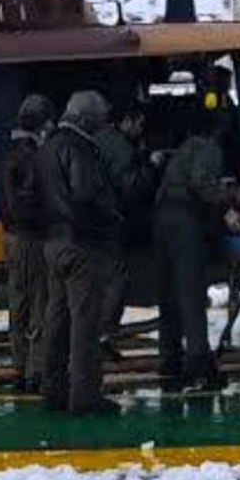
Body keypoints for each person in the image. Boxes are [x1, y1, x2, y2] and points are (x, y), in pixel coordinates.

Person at [36, 90, 123, 415]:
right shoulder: (79, 148)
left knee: (56, 319)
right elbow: (85, 195)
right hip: (81, 245)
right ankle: (85, 395)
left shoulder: (45, 148)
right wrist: (111, 221)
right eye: (101, 119)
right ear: (87, 119)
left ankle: (52, 387)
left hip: (51, 243)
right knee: (84, 322)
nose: (104, 124)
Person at [153, 107, 228, 392]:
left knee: (169, 293)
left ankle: (170, 358)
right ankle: (198, 364)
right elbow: (201, 183)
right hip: (184, 219)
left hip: (161, 218)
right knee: (191, 291)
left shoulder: (182, 150)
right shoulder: (208, 147)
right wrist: (227, 200)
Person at [0, 94, 55, 392]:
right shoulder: (33, 159)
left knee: (18, 303)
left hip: (11, 238)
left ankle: (19, 366)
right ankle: (36, 371)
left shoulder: (8, 157)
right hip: (32, 239)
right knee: (39, 305)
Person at [91, 105, 149, 345]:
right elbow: (131, 190)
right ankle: (105, 329)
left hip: (90, 222)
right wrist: (149, 166)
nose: (140, 130)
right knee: (117, 277)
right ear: (126, 121)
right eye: (139, 124)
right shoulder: (122, 148)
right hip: (110, 221)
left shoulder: (97, 139)